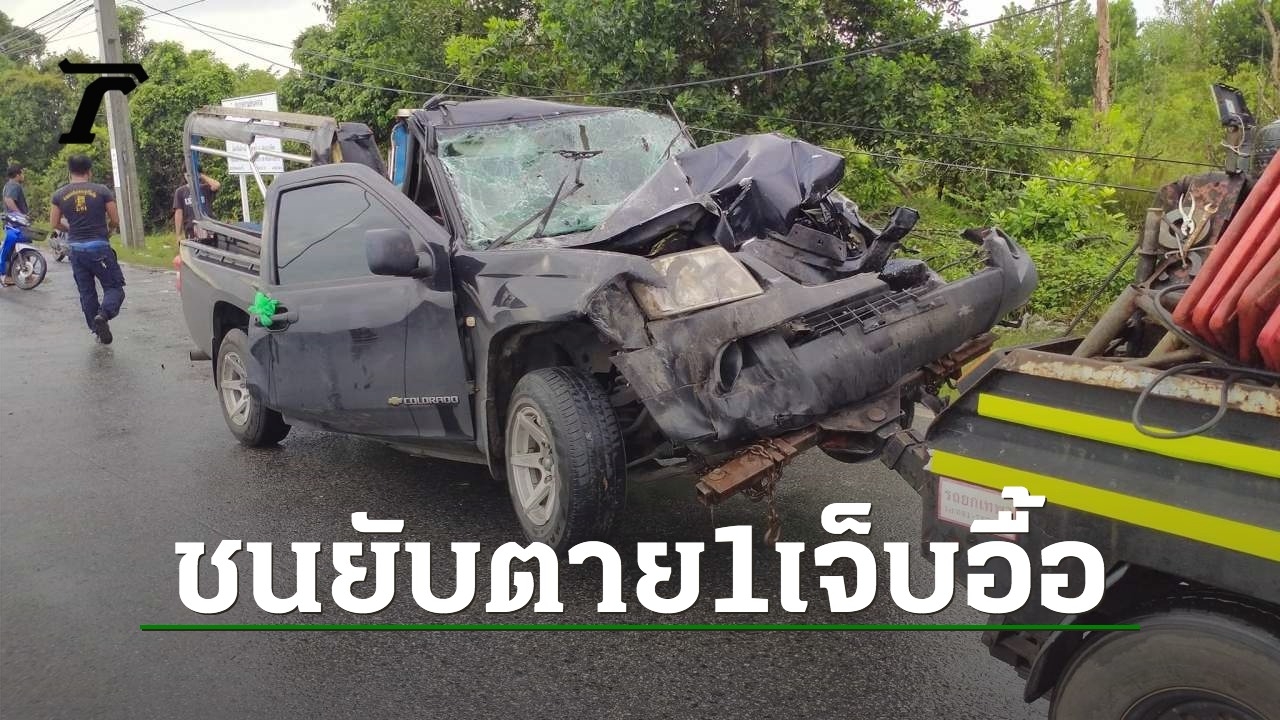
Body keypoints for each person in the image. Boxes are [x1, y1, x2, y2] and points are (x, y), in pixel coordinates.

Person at [49, 154, 124, 345]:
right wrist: (109, 231)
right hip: (100, 247)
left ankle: (97, 330)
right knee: (114, 287)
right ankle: (103, 315)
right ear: (89, 171)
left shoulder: (59, 195)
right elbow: (115, 219)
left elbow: (54, 223)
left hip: (76, 251)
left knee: (87, 293)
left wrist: (71, 229)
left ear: (70, 172)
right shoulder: (102, 191)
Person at [173, 173, 221, 243]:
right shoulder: (180, 192)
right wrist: (178, 235)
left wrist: (201, 175)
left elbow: (217, 185)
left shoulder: (204, 188)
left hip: (208, 228)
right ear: (184, 175)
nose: (190, 176)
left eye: (192, 173)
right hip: (191, 230)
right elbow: (178, 213)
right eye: (187, 174)